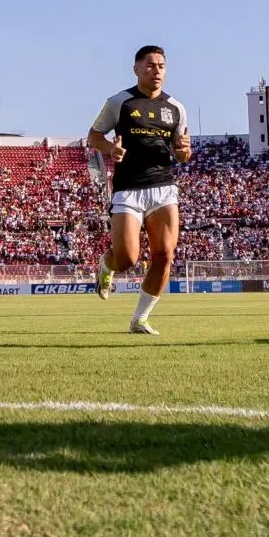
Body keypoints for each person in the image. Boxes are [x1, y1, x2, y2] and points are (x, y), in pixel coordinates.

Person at [87, 44, 194, 335]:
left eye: (161, 65)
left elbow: (181, 151)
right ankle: (107, 263)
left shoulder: (176, 108)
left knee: (165, 254)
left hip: (164, 186)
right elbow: (93, 136)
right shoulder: (119, 102)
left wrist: (184, 152)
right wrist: (111, 149)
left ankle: (140, 319)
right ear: (135, 69)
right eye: (149, 65)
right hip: (128, 188)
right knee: (128, 259)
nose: (156, 70)